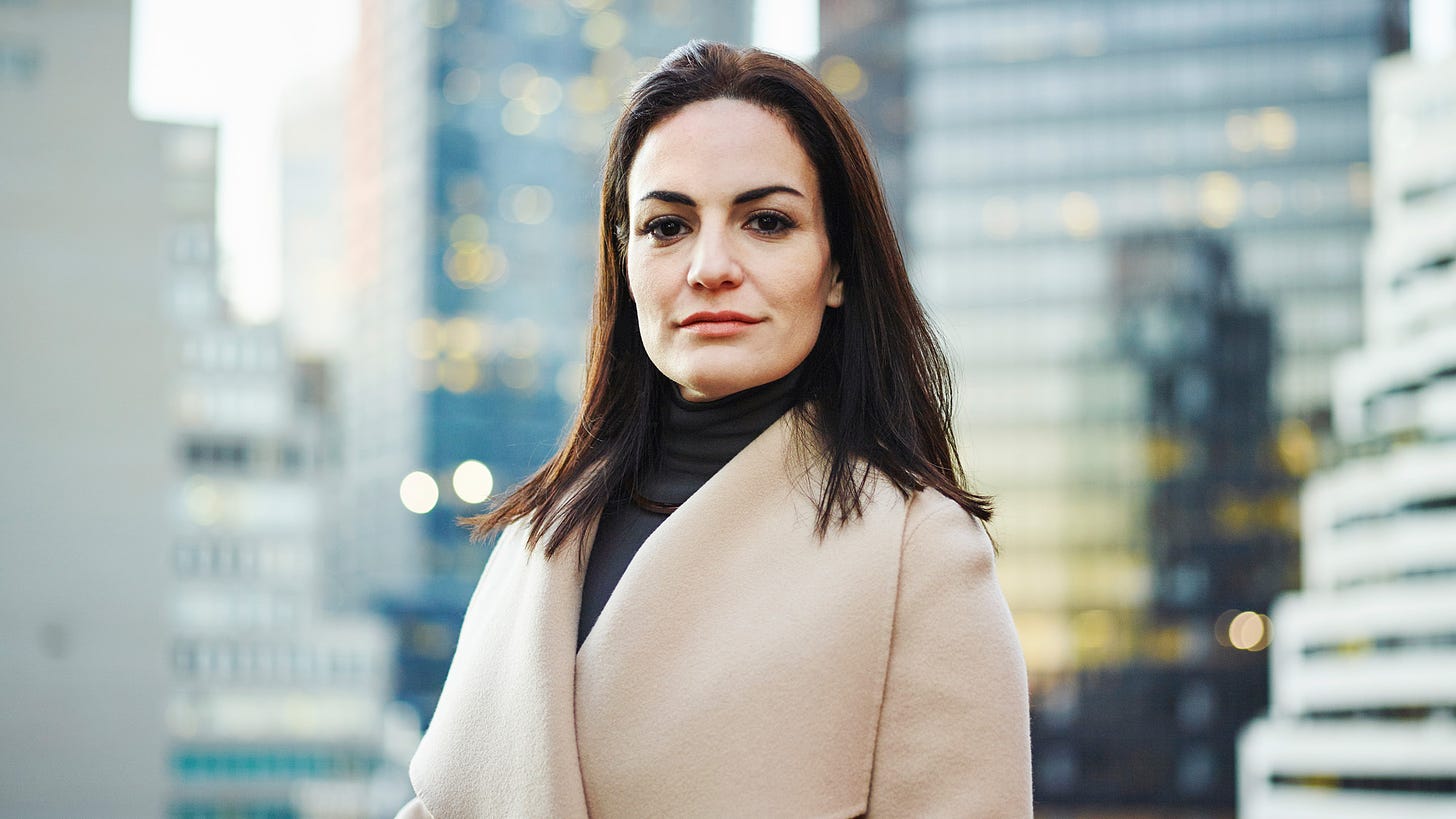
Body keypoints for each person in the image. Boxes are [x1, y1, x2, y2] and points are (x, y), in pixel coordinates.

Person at [396, 40, 1032, 818]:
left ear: (837, 269)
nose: (709, 266)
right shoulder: (538, 534)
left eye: (766, 221)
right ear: (623, 262)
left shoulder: (915, 548)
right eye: (666, 226)